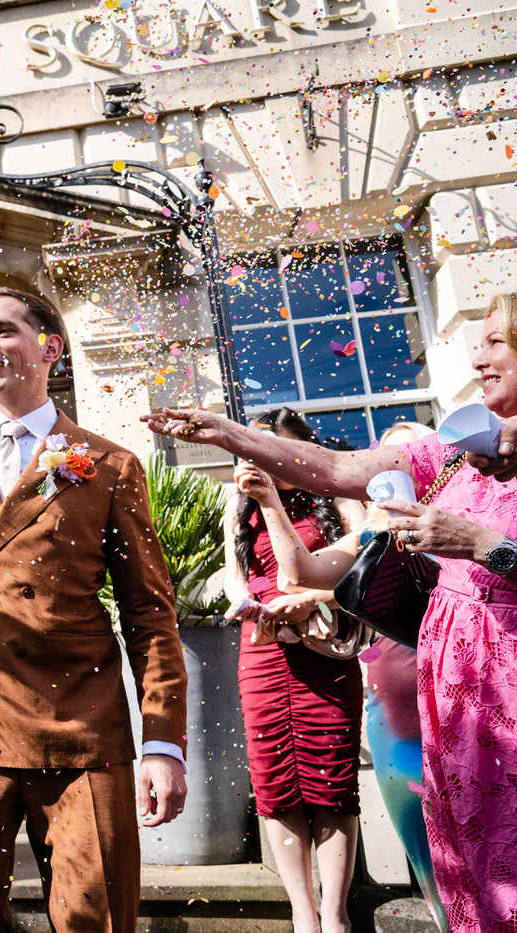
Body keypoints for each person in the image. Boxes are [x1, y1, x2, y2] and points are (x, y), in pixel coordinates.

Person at [145, 293, 517, 933]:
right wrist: (232, 434)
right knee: (468, 863)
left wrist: (483, 545)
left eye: (494, 342)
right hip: (451, 695)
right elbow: (336, 468)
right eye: (477, 341)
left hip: (508, 681)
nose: (477, 357)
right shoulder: (455, 454)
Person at [0, 286, 189, 933]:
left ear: (50, 348)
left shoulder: (109, 465)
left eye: (2, 331)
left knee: (97, 918)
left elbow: (150, 614)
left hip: (81, 728)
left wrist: (163, 741)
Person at [248, 420, 449, 932]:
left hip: (466, 680)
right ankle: (445, 917)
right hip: (392, 688)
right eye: (389, 456)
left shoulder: (476, 499)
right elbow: (312, 576)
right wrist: (271, 502)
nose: (402, 460)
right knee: (422, 829)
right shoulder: (375, 525)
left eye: (413, 448)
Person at [224, 407, 364, 933]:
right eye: (253, 451)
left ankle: (336, 916)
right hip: (262, 651)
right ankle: (303, 916)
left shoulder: (340, 498)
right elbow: (237, 577)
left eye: (275, 449)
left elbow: (329, 570)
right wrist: (248, 606)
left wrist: (307, 598)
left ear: (304, 449)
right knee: (276, 781)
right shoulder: (239, 509)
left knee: (331, 781)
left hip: (324, 648)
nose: (263, 461)